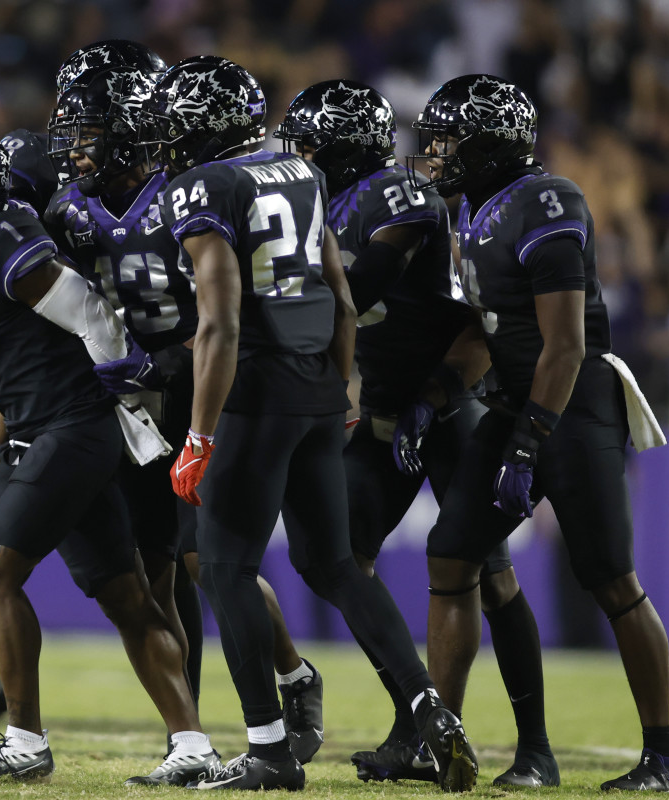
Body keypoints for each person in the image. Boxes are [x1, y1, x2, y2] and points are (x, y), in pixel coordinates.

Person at [147, 56, 477, 791]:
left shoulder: (201, 187)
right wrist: (342, 383)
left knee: (225, 566)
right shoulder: (299, 175)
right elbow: (340, 292)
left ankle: (268, 749)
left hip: (253, 391)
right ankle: (429, 708)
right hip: (318, 389)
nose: (164, 139)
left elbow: (220, 321)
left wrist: (200, 433)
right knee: (331, 564)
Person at [0, 122, 215, 784]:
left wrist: (124, 380)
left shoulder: (2, 233)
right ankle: (193, 745)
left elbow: (88, 312)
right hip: (43, 430)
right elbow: (5, 371)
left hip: (69, 429)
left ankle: (26, 741)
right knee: (127, 599)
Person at [274, 79, 557, 787]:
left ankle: (535, 748)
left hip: (447, 402)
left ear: (346, 148)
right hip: (383, 414)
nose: (300, 157)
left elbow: (367, 283)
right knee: (334, 556)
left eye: (311, 145)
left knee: (488, 576)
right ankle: (420, 720)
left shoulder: (395, 194)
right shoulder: (315, 204)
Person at [409, 74, 669, 792]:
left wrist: (530, 442)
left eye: (450, 139)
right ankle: (450, 744)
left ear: (491, 141)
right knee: (451, 555)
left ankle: (664, 757)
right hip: (512, 399)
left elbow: (563, 344)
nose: (436, 153)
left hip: (571, 403)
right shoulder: (472, 206)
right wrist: (437, 392)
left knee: (612, 581)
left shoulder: (547, 200)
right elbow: (487, 330)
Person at [44, 61, 325, 763]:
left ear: (132, 135)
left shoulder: (188, 190)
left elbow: (231, 310)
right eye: (71, 136)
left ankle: (292, 671)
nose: (74, 151)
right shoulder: (69, 210)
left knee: (209, 560)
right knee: (155, 569)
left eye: (89, 136)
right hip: (134, 404)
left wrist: (169, 367)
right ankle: (189, 740)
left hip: (202, 382)